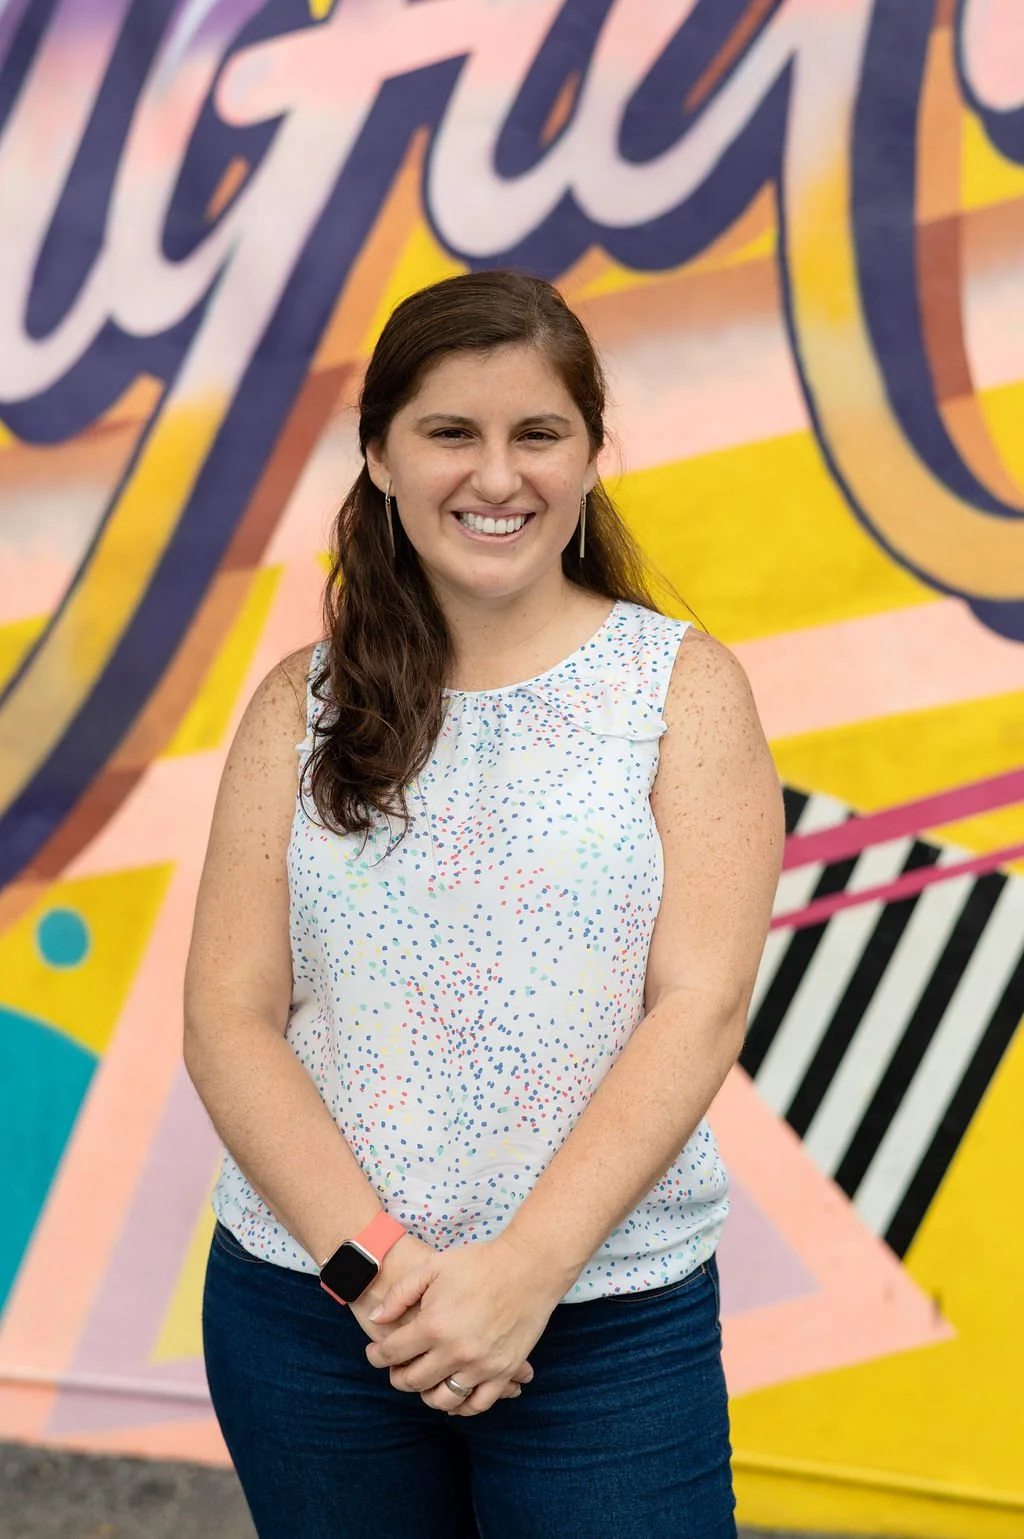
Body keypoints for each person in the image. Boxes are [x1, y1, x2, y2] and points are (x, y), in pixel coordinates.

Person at [185, 269, 783, 1539]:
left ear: (589, 455)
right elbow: (228, 1021)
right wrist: (386, 1282)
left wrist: (520, 1278)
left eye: (538, 434)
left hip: (607, 1328)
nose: (496, 476)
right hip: (314, 1321)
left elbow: (700, 1003)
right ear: (381, 456)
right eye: (451, 432)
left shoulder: (680, 691)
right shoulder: (303, 704)